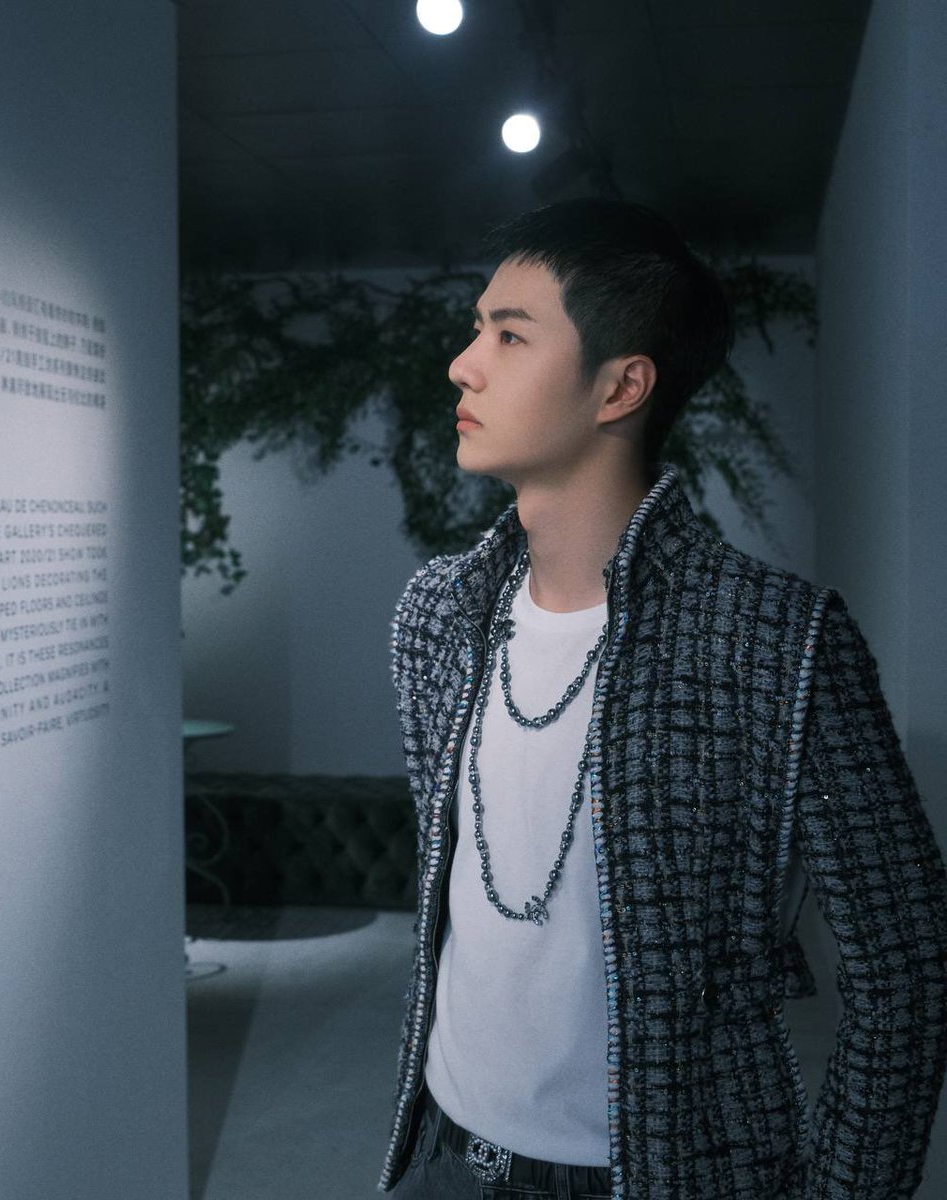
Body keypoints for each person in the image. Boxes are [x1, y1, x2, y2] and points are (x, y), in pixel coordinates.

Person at [379, 198, 947, 1199]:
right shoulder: (438, 614)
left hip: (669, 1176)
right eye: (477, 330)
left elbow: (905, 972)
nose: (463, 364)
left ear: (621, 386)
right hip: (444, 1156)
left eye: (510, 335)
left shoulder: (777, 640)